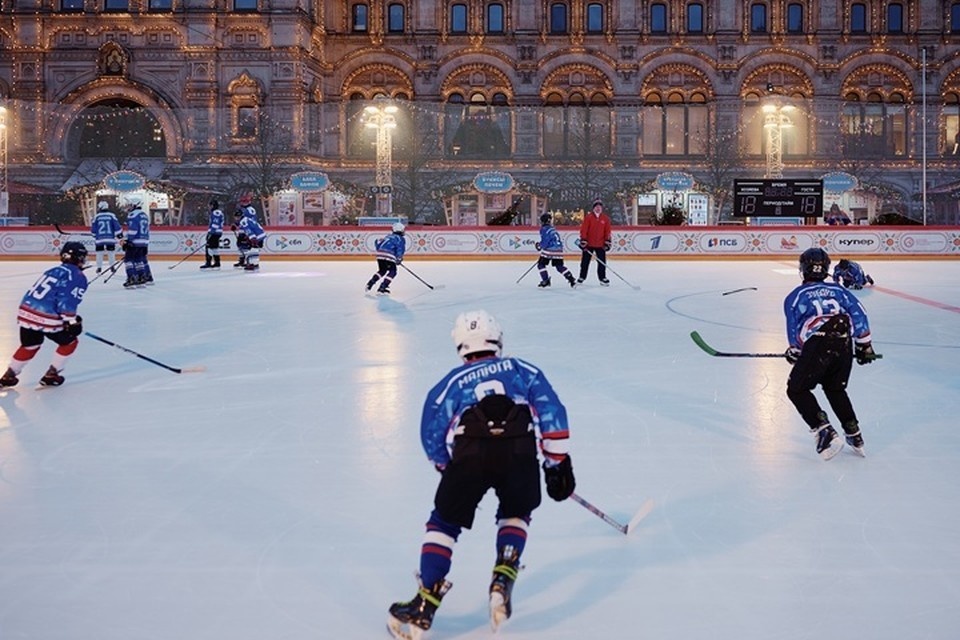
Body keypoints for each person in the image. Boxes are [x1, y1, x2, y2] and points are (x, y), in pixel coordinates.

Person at [387, 310, 576, 639]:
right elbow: (552, 411)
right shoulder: (522, 370)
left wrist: (448, 467)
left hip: (470, 453)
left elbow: (431, 433)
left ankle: (425, 601)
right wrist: (555, 461)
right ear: (497, 339)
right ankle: (503, 577)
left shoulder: (450, 383)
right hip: (518, 452)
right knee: (516, 512)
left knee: (443, 522)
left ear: (460, 345)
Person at [783, 248, 877, 460]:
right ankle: (854, 433)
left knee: (796, 390)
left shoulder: (795, 296)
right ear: (826, 269)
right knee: (835, 389)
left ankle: (823, 430)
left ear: (803, 269)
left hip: (818, 342)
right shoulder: (840, 291)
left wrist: (795, 351)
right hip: (844, 343)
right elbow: (859, 315)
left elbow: (794, 330)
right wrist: (864, 346)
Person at [1, 242, 89, 388]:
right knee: (70, 342)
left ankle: (9, 375)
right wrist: (71, 321)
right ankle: (52, 374)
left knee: (30, 345)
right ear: (78, 258)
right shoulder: (77, 276)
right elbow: (66, 301)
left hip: (26, 312)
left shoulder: (53, 270)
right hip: (47, 316)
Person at [535, 213, 577, 288]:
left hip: (550, 249)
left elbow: (545, 241)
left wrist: (539, 246)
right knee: (559, 266)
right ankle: (570, 278)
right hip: (559, 249)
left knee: (541, 265)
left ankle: (545, 280)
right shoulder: (552, 228)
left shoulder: (544, 229)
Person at [577, 199, 612, 285]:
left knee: (602, 262)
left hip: (600, 244)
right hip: (589, 244)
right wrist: (583, 240)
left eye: (600, 207)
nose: (598, 208)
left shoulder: (605, 219)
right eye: (596, 207)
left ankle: (602, 278)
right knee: (585, 262)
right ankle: (582, 277)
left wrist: (607, 241)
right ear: (593, 208)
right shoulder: (588, 217)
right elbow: (584, 229)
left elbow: (608, 231)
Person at [365, 222, 406, 294]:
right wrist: (399, 258)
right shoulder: (400, 238)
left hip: (379, 255)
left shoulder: (388, 236)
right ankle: (383, 287)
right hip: (389, 255)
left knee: (382, 270)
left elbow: (377, 242)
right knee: (393, 271)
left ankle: (370, 283)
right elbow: (400, 248)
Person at [121, 199, 153, 288]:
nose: (129, 207)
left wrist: (128, 241)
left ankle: (132, 279)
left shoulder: (133, 215)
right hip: (144, 241)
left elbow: (133, 230)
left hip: (135, 241)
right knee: (139, 260)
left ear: (135, 205)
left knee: (128, 260)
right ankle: (142, 278)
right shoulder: (144, 215)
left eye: (130, 205)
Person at [90, 201, 122, 274]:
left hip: (100, 239)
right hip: (110, 238)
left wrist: (94, 235)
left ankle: (99, 267)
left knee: (99, 253)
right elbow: (117, 226)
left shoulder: (97, 216)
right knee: (111, 253)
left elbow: (94, 228)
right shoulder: (112, 215)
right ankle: (112, 267)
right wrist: (119, 234)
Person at [232, 206, 267, 271]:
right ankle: (254, 264)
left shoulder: (243, 221)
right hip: (260, 234)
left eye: (237, 217)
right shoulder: (245, 219)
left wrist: (253, 238)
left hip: (258, 236)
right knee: (254, 249)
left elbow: (248, 230)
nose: (236, 218)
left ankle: (253, 264)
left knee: (253, 250)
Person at [200, 198, 224, 270]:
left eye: (210, 205)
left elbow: (215, 223)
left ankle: (208, 262)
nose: (209, 207)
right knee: (215, 248)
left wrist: (211, 232)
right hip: (218, 232)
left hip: (214, 233)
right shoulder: (218, 212)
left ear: (213, 205)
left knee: (209, 247)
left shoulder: (215, 212)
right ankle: (217, 262)